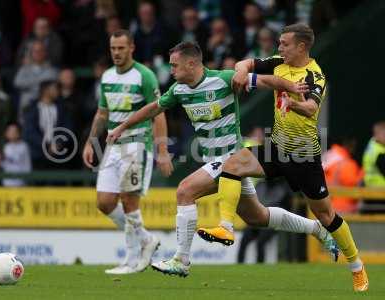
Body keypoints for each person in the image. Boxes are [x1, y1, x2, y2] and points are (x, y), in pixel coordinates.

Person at [107, 41, 339, 278]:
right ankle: (317, 229)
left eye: (174, 65)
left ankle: (181, 260)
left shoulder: (224, 79)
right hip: (222, 165)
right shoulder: (178, 90)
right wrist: (121, 128)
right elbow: (151, 110)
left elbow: (267, 80)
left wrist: (293, 87)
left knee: (185, 191)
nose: (171, 70)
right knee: (257, 216)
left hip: (231, 159)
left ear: (191, 63)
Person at [202, 23, 368, 292]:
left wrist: (295, 104)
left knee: (327, 216)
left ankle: (356, 265)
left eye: (284, 44)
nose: (279, 48)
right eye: (279, 43)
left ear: (302, 47)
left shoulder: (315, 76)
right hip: (277, 147)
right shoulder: (277, 63)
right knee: (233, 165)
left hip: (304, 155)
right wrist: (243, 71)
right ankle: (225, 227)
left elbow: (312, 107)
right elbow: (245, 63)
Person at [82, 29, 173, 275]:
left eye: (121, 48)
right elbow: (102, 113)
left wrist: (162, 151)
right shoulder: (107, 76)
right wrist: (91, 141)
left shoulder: (145, 76)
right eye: (113, 48)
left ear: (131, 47)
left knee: (128, 198)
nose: (117, 53)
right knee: (104, 202)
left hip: (137, 143)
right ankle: (146, 239)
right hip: (113, 145)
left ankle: (131, 261)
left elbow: (159, 112)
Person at [322, 137, 363, 213]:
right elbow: (352, 184)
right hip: (341, 207)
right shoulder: (347, 163)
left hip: (323, 205)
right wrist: (362, 173)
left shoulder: (328, 156)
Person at [361, 121, 385, 213]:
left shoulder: (372, 144)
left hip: (371, 191)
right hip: (378, 195)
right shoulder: (379, 153)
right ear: (377, 135)